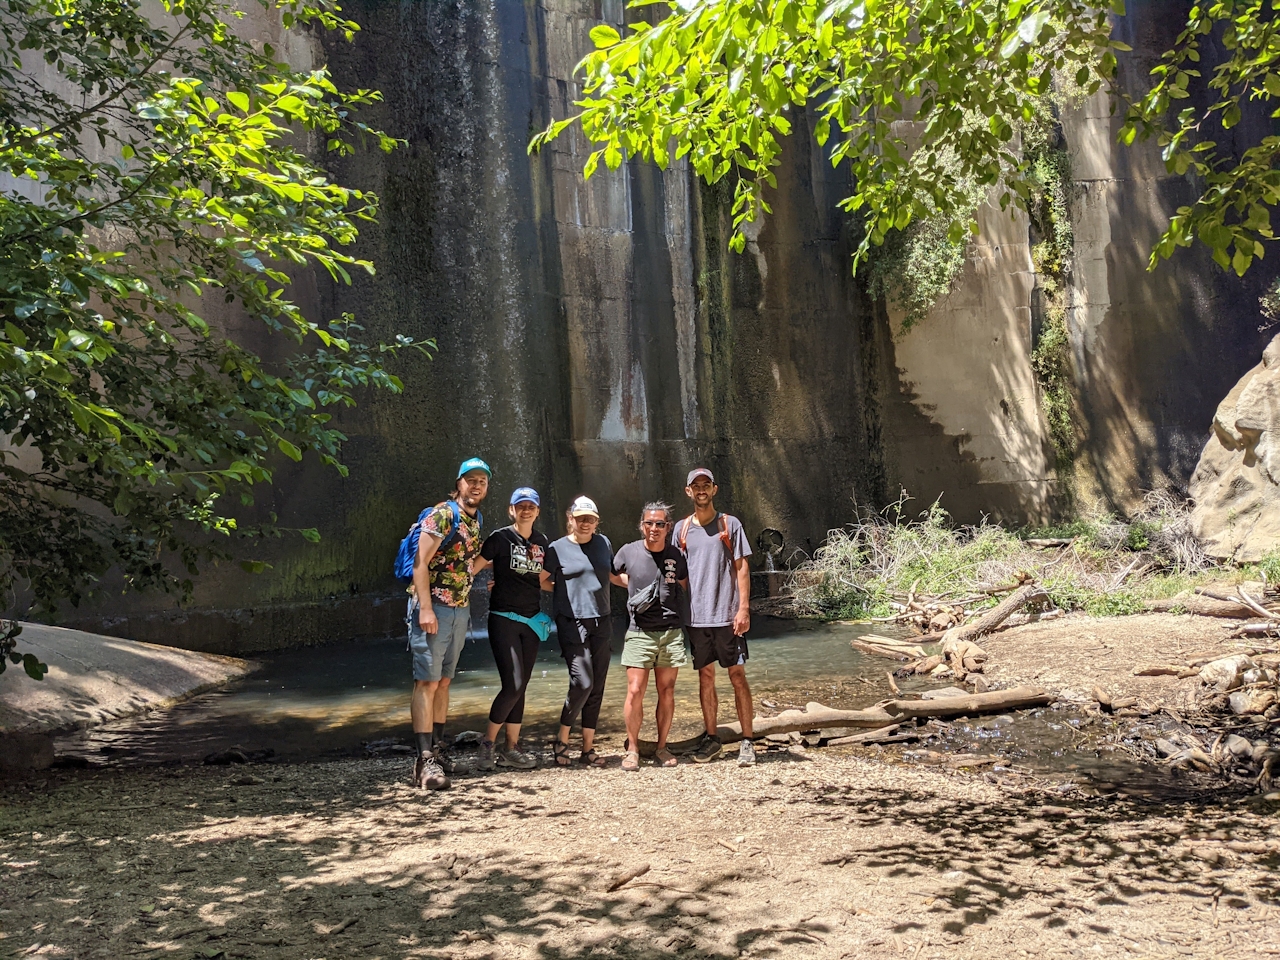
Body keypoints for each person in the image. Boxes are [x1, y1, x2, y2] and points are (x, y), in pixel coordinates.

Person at [408, 457, 490, 790]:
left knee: (443, 682)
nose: (476, 486)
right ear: (458, 483)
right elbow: (420, 562)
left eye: (482, 482)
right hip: (434, 608)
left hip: (459, 609)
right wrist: (425, 609)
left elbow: (466, 562)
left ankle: (438, 751)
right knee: (426, 683)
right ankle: (423, 761)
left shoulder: (476, 518)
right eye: (470, 480)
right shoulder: (442, 514)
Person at [672, 467, 757, 766]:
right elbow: (678, 572)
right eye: (696, 486)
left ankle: (747, 740)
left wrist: (743, 608)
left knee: (737, 676)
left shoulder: (729, 524)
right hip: (697, 620)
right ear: (688, 492)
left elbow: (741, 567)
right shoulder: (680, 530)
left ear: (714, 489)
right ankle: (712, 739)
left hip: (727, 616)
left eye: (706, 485)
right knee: (705, 677)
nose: (701, 490)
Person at [471, 486, 552, 772]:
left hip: (531, 622)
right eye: (521, 506)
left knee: (522, 686)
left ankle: (511, 747)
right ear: (512, 510)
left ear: (537, 511)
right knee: (513, 684)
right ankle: (487, 744)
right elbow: (473, 567)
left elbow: (541, 581)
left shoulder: (542, 542)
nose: (526, 510)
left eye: (531, 506)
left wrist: (570, 589)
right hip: (503, 618)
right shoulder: (500, 538)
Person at [612, 501, 688, 771]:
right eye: (649, 523)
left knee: (666, 692)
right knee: (635, 691)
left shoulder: (676, 555)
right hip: (639, 631)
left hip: (670, 632)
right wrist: (632, 586)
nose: (654, 528)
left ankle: (661, 746)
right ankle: (633, 748)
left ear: (668, 527)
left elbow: (682, 583)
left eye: (659, 524)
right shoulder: (627, 551)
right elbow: (613, 574)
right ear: (641, 526)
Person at [541, 496, 613, 768]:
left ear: (597, 522)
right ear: (570, 518)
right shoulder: (556, 548)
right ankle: (561, 738)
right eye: (580, 518)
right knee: (582, 682)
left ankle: (588, 748)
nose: (585, 523)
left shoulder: (604, 543)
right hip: (573, 621)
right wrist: (564, 591)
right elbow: (542, 581)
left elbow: (612, 574)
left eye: (590, 519)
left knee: (598, 685)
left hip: (602, 620)